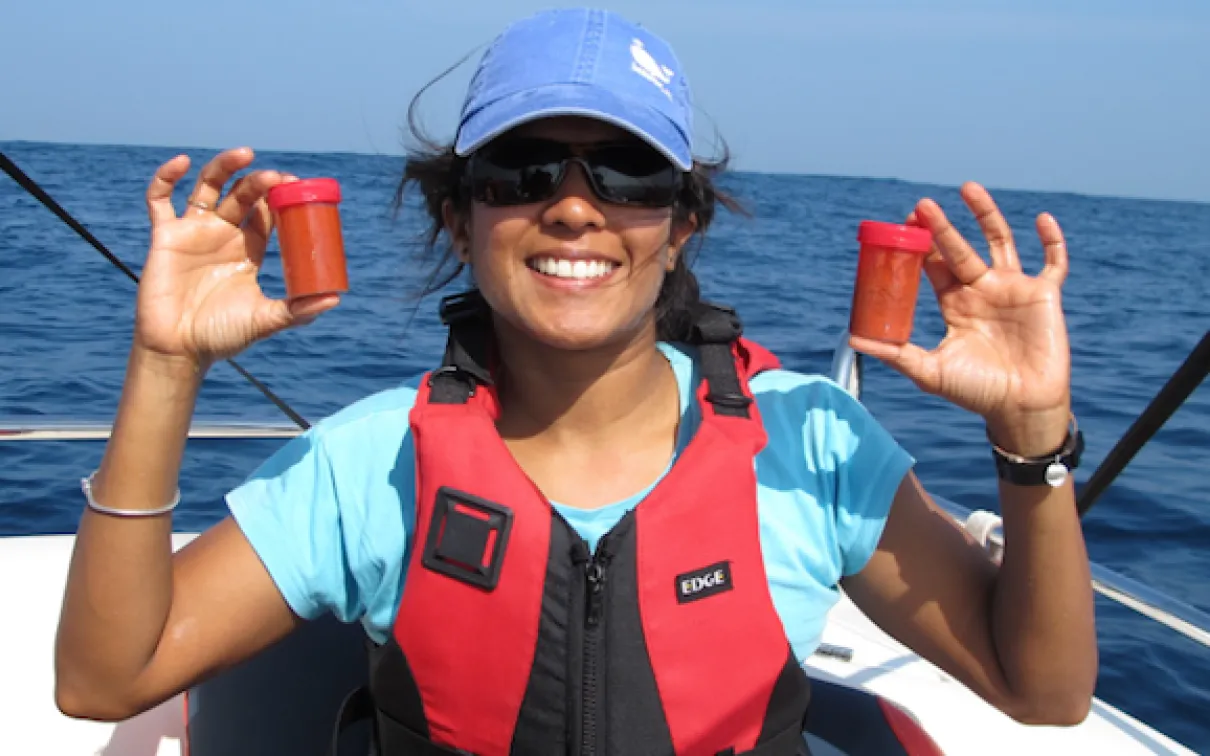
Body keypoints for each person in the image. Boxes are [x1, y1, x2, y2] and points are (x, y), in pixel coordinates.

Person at [53, 6, 1096, 754]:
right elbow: (106, 677)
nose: (574, 207)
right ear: (459, 218)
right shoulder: (371, 462)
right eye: (522, 170)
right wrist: (165, 363)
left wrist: (1030, 433)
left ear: (681, 224)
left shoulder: (812, 449)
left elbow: (1042, 693)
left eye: (630, 175)